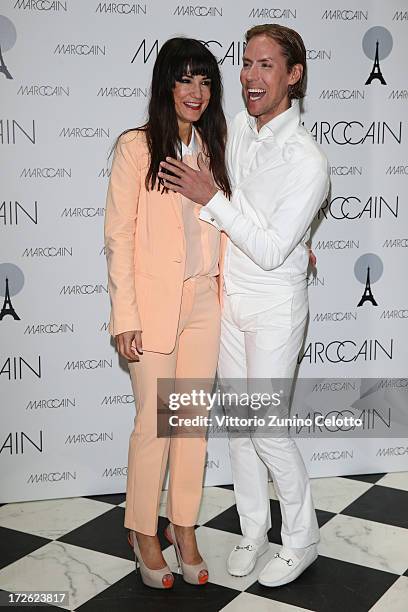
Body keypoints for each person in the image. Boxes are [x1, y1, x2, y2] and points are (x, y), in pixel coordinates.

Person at [158, 24, 330, 588]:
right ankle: (254, 530)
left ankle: (301, 538)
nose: (251, 77)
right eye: (246, 64)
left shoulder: (307, 161)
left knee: (268, 429)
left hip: (275, 308)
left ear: (293, 75)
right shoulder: (234, 133)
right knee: (239, 426)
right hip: (228, 301)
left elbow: (270, 246)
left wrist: (212, 198)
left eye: (265, 66)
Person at [104, 37, 231, 589]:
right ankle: (144, 532)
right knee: (155, 427)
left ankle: (184, 527)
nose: (196, 92)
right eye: (185, 80)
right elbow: (119, 236)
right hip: (153, 308)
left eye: (205, 81)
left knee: (190, 428)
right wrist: (124, 315)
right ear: (166, 85)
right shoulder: (136, 147)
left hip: (205, 302)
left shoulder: (214, 146)